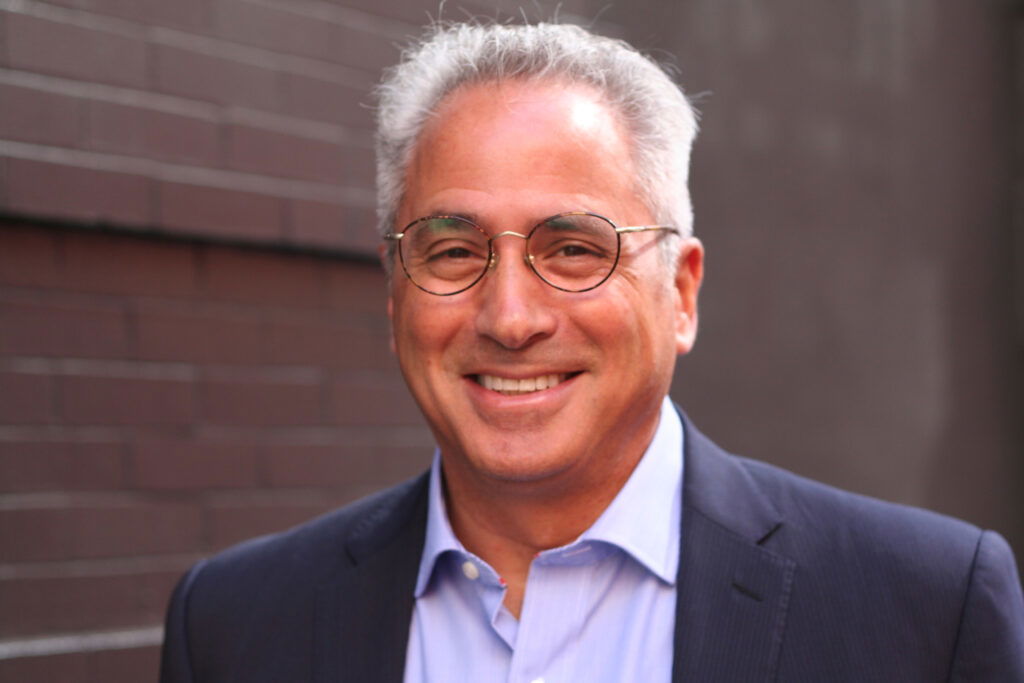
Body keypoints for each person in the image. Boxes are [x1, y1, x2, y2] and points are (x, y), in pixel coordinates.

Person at [160, 22, 1024, 682]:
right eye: (453, 250)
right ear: (396, 295)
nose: (508, 315)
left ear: (680, 293)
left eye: (574, 248)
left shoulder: (926, 611)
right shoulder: (234, 627)